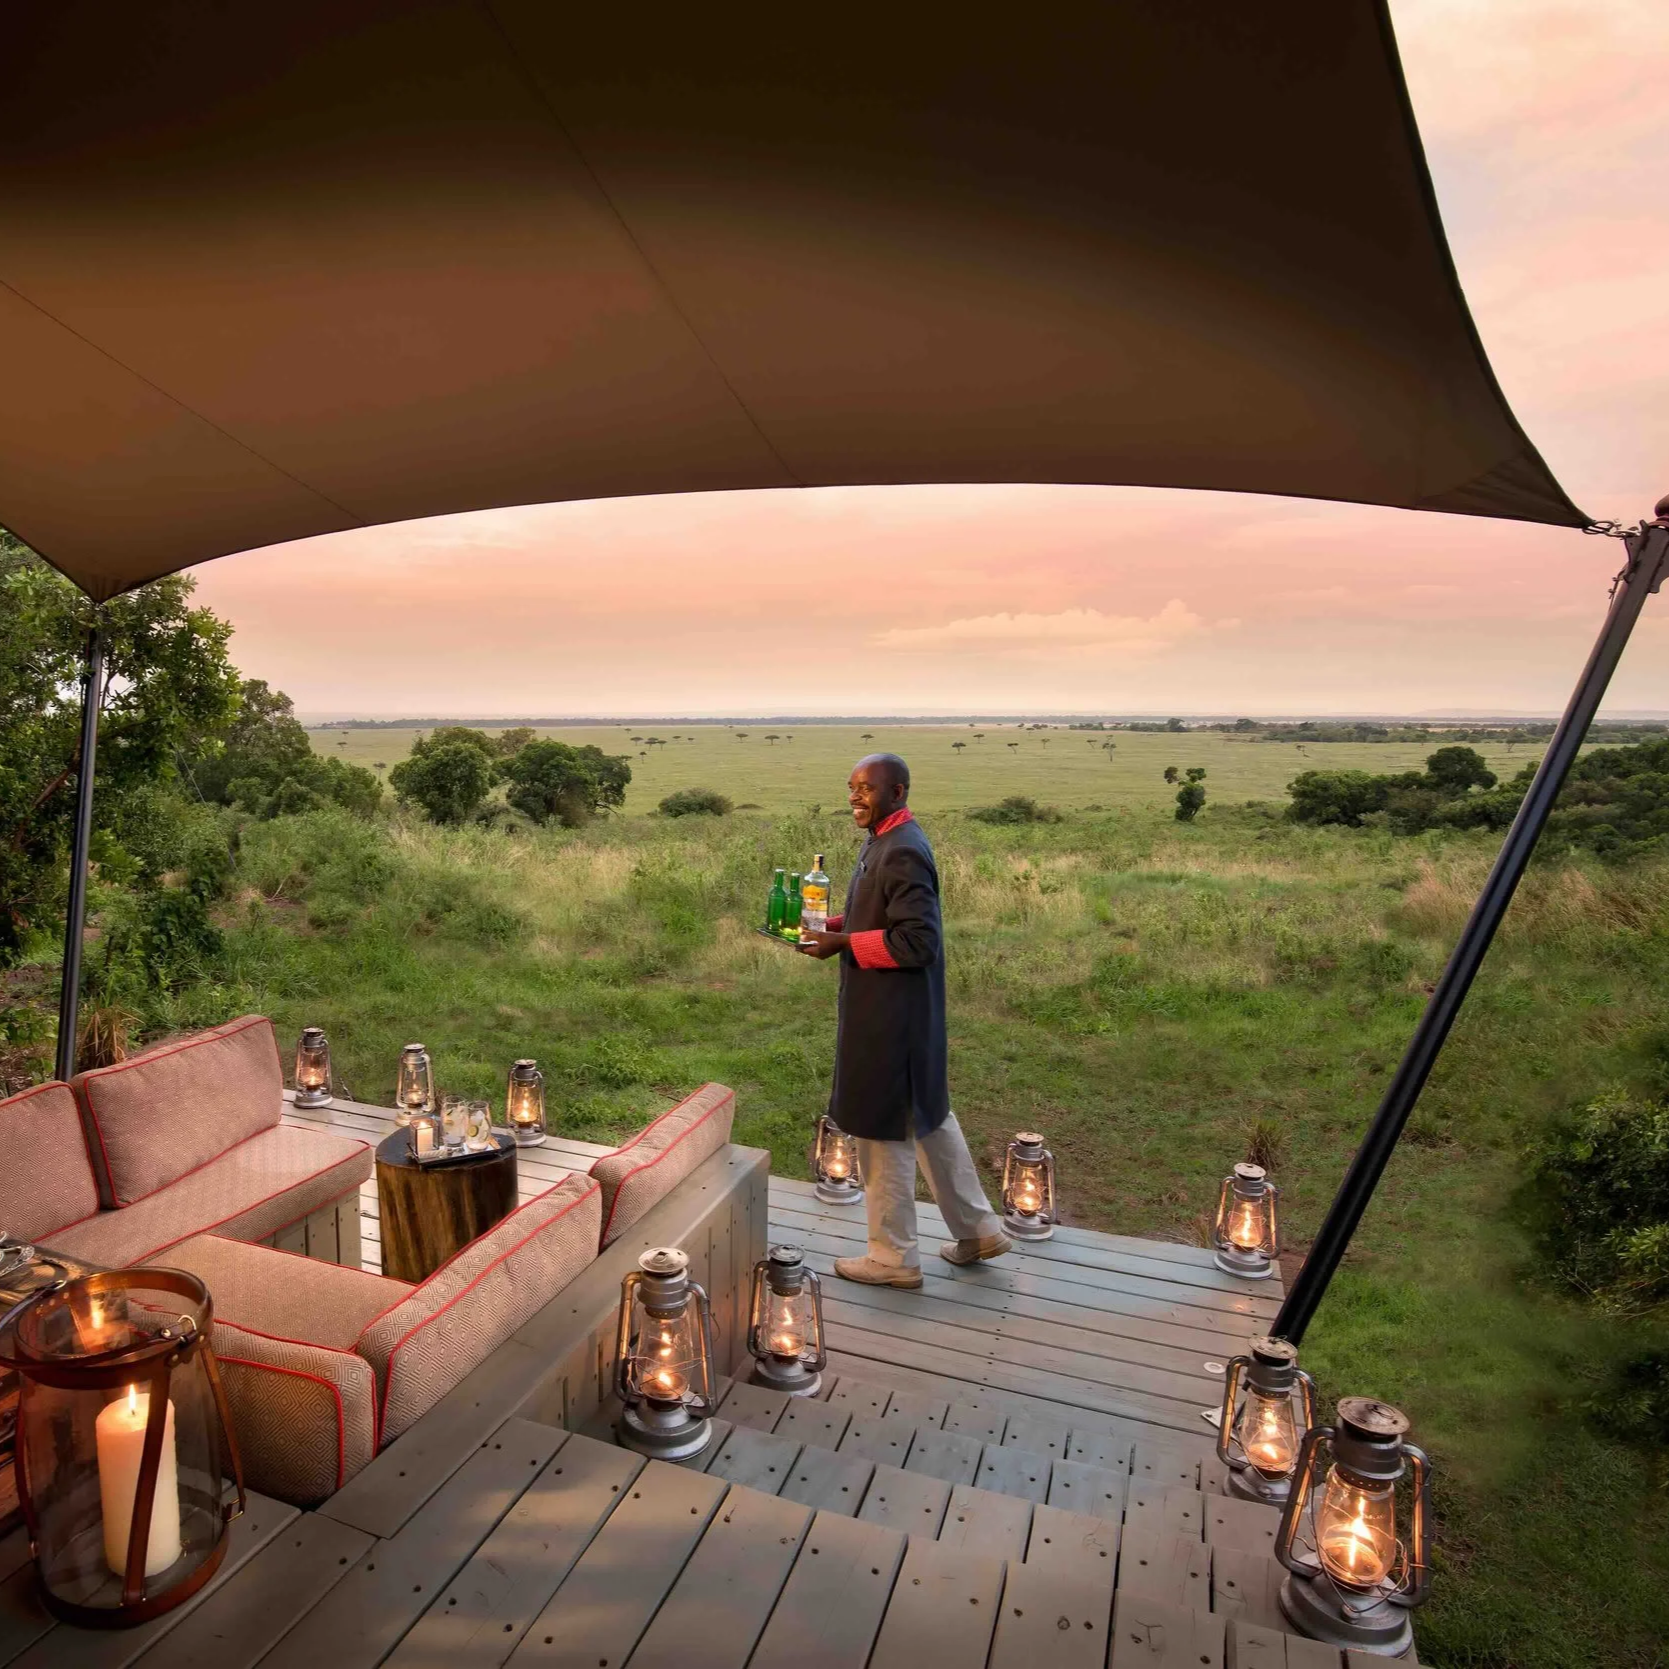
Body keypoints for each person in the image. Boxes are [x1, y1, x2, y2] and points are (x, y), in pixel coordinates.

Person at [797, 753, 1011, 1287]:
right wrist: (833, 928)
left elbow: (917, 943)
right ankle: (980, 1229)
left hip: (891, 1015)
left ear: (898, 792)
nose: (855, 796)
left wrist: (843, 943)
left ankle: (893, 1259)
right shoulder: (887, 839)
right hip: (899, 1012)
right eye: (851, 787)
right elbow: (883, 916)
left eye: (867, 788)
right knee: (928, 1117)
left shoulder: (904, 850)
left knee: (881, 1125)